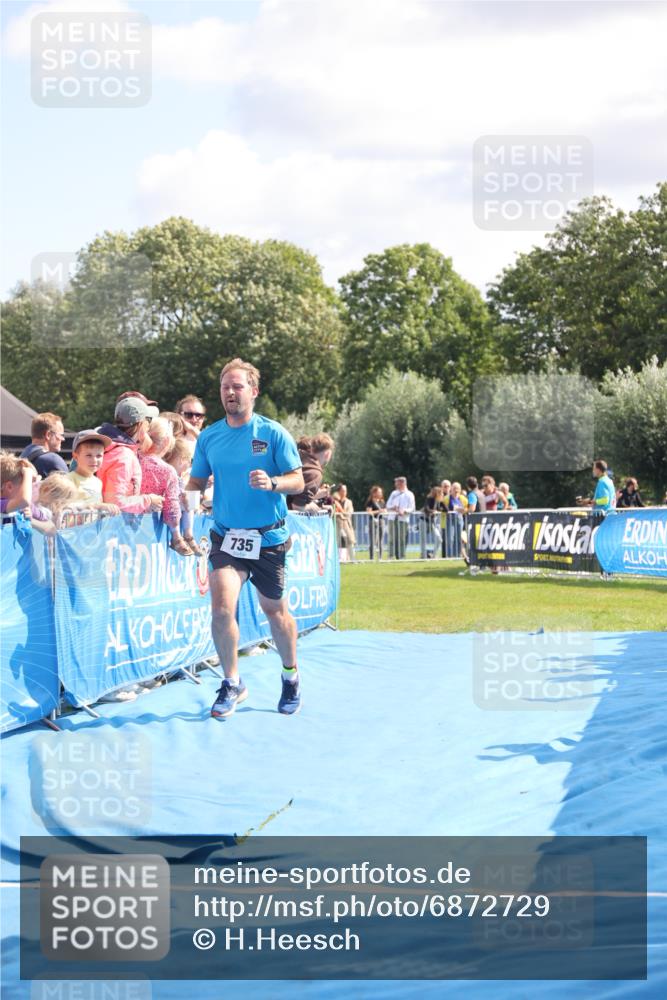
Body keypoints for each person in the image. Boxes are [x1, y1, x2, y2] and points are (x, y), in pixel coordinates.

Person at [185, 358, 305, 720]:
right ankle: (232, 681)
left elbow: (298, 480)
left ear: (253, 391)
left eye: (237, 386)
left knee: (275, 611)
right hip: (226, 537)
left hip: (268, 539)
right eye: (225, 387)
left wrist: (273, 483)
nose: (230, 392)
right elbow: (195, 482)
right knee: (222, 608)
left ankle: (290, 675)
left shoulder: (272, 433)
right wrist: (181, 495)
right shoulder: (209, 437)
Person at [97, 396, 164, 513]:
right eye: (148, 421)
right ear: (140, 424)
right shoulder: (124, 456)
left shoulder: (105, 445)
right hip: (112, 526)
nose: (149, 426)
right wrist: (148, 500)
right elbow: (116, 503)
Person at [139, 417, 194, 556]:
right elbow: (172, 509)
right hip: (148, 529)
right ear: (167, 441)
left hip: (123, 521)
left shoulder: (132, 458)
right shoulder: (168, 471)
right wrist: (176, 535)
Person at [288, 433, 335, 511]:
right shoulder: (314, 472)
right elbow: (297, 506)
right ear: (327, 454)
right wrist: (316, 508)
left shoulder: (301, 457)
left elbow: (294, 494)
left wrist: (318, 497)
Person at [20, 412, 68, 477]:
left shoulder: (22, 457)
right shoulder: (53, 460)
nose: (63, 439)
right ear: (48, 435)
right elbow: (68, 486)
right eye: (61, 435)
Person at [385, 476, 416, 559]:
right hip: (392, 518)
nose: (396, 485)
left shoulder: (410, 494)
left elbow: (412, 508)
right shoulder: (393, 493)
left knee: (402, 539)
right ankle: (390, 556)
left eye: (397, 483)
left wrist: (404, 511)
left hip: (403, 519)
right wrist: (393, 507)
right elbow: (387, 505)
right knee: (391, 538)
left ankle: (401, 556)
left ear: (402, 483)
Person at [334, 483, 356, 562]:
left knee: (350, 541)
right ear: (339, 491)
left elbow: (350, 512)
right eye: (343, 490)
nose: (344, 492)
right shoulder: (334, 501)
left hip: (346, 524)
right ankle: (335, 560)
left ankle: (352, 559)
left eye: (345, 491)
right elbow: (333, 512)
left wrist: (341, 514)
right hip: (336, 523)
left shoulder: (349, 502)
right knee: (336, 542)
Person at [421, 486, 445, 558]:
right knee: (423, 540)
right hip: (424, 521)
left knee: (439, 539)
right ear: (437, 493)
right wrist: (433, 511)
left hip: (432, 522)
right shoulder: (429, 499)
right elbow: (426, 509)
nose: (443, 495)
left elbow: (446, 509)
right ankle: (424, 556)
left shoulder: (438, 501)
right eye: (441, 493)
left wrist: (441, 504)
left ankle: (433, 555)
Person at [446, 481, 466, 557]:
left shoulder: (462, 498)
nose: (456, 490)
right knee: (450, 538)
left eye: (458, 488)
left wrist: (459, 509)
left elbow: (467, 508)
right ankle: (450, 555)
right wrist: (459, 509)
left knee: (458, 538)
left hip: (459, 519)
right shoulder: (447, 498)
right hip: (450, 519)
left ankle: (457, 555)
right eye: (454, 488)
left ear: (460, 489)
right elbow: (447, 508)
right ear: (451, 489)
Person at [365, 485, 385, 560]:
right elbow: (369, 511)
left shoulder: (382, 502)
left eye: (381, 492)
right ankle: (372, 557)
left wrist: (384, 511)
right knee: (373, 540)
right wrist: (378, 511)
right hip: (373, 521)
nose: (380, 493)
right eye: (379, 492)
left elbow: (385, 510)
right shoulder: (370, 502)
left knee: (380, 540)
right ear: (374, 493)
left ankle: (380, 557)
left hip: (381, 521)